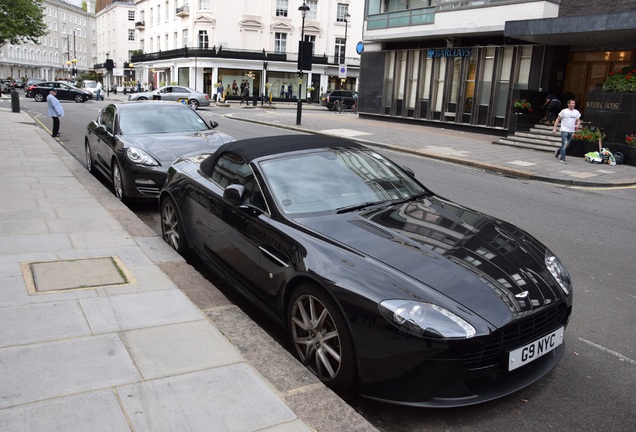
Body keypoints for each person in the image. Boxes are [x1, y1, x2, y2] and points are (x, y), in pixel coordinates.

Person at [552, 99, 581, 164]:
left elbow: (578, 120)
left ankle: (557, 152)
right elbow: (557, 119)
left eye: (574, 103)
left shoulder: (576, 112)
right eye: (572, 103)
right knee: (564, 144)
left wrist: (577, 125)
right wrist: (554, 128)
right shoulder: (564, 111)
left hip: (571, 131)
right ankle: (562, 158)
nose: (573, 105)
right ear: (568, 104)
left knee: (566, 145)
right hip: (564, 130)